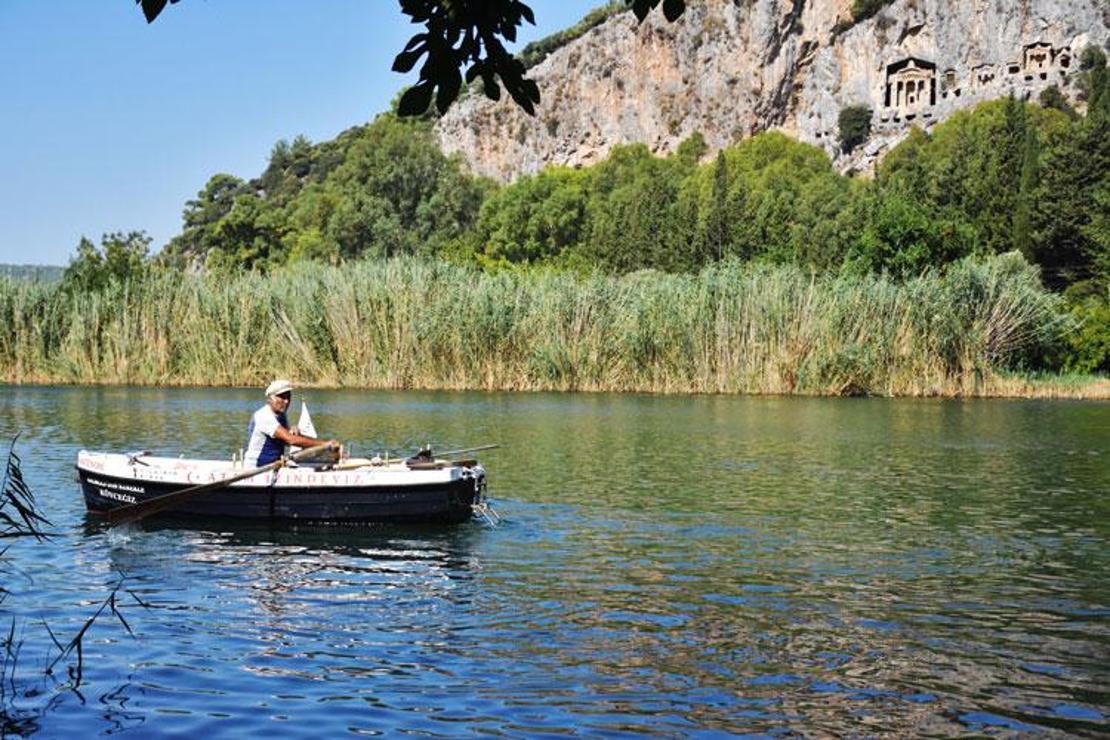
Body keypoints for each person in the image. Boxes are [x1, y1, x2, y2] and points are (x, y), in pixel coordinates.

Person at [244, 379, 337, 468]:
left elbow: (288, 440)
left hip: (274, 465)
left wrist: (297, 433)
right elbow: (290, 440)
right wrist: (325, 445)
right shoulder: (264, 416)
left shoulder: (281, 415)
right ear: (270, 399)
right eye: (282, 397)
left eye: (288, 397)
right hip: (256, 467)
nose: (286, 401)